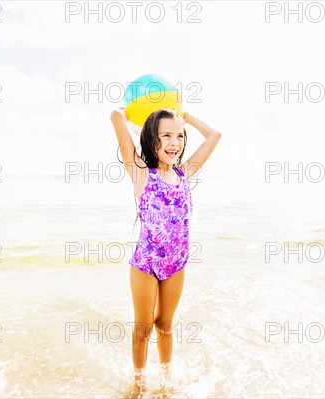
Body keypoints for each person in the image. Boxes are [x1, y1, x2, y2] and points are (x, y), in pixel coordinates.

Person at [110, 107, 221, 395]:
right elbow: (119, 126)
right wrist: (124, 112)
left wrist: (186, 115)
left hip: (176, 264)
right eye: (166, 136)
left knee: (166, 326)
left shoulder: (185, 173)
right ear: (151, 140)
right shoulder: (141, 174)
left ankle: (168, 380)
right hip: (145, 265)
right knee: (144, 328)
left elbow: (214, 135)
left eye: (180, 136)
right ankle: (138, 382)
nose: (175, 143)